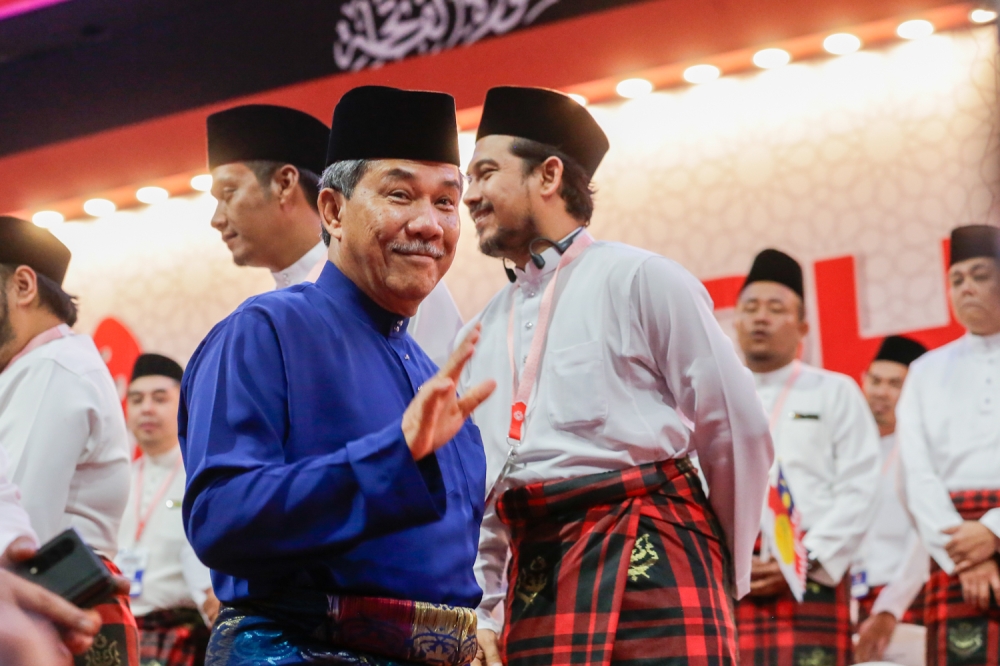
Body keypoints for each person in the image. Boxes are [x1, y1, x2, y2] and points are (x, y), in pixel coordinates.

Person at [180, 86, 495, 666]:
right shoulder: (264, 331)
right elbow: (219, 520)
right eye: (400, 194)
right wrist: (392, 456)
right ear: (332, 210)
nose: (428, 224)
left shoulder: (433, 374)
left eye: (447, 203)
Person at [458, 86, 773, 666]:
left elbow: (734, 424)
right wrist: (484, 610)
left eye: (484, 173)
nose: (469, 195)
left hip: (655, 546)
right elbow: (483, 496)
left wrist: (719, 554)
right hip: (536, 574)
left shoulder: (644, 279)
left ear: (548, 175)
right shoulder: (476, 334)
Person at [206, 103, 463, 366]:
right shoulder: (260, 320)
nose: (217, 219)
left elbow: (446, 390)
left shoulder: (393, 276)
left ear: (284, 184)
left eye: (228, 193)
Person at [0, 215, 138, 666]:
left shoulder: (50, 368)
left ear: (23, 286)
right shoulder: (42, 364)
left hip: (57, 606)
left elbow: (21, 527)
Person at [733, 249, 880, 666]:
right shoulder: (711, 397)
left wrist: (805, 557)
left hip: (811, 568)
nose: (761, 317)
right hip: (731, 573)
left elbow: (861, 486)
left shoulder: (835, 391)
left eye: (776, 309)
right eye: (751, 308)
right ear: (736, 323)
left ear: (803, 328)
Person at [897, 224, 1000, 666]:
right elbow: (916, 472)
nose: (967, 287)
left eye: (980, 275)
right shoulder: (924, 371)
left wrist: (994, 531)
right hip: (953, 543)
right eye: (956, 279)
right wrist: (966, 555)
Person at [118, 353, 218, 666]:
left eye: (159, 398)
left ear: (184, 405)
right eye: (136, 399)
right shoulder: (119, 479)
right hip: (123, 630)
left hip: (182, 633)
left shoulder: (202, 475)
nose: (146, 408)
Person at [854, 335, 930, 663]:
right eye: (875, 380)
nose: (881, 391)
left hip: (906, 601)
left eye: (895, 383)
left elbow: (925, 539)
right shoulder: (847, 451)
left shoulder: (923, 453)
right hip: (849, 601)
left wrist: (890, 607)